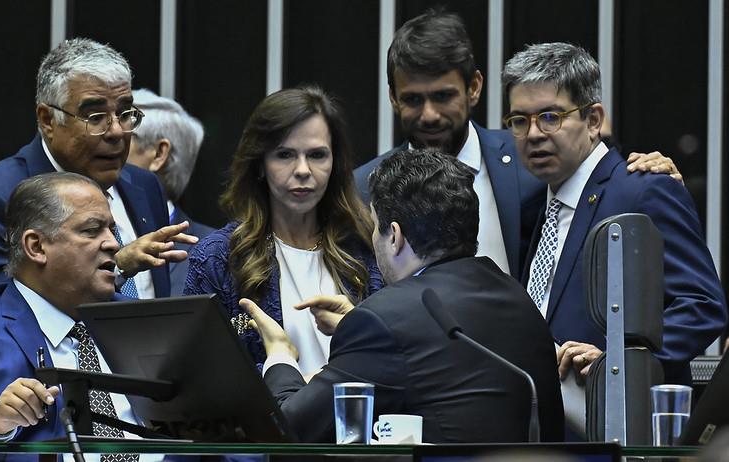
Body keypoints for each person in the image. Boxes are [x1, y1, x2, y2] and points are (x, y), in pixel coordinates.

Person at [242, 148, 564, 443]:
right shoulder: (517, 297)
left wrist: (280, 356)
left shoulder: (384, 320)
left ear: (394, 236)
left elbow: (287, 427)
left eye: (375, 225)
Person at [353, 9, 681, 280]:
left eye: (442, 96)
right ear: (393, 98)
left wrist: (649, 171)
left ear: (474, 88)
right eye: (412, 100)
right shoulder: (363, 190)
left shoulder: (532, 158)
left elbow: (603, 186)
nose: (429, 115)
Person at [501, 42, 727, 384]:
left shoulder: (645, 189)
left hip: (623, 424)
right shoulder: (539, 203)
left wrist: (618, 361)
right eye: (520, 120)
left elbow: (701, 305)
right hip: (547, 426)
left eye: (550, 117)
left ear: (593, 120)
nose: (533, 134)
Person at [0, 173, 151, 459]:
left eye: (111, 230)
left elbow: (201, 429)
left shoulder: (141, 320)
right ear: (36, 247)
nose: (113, 244)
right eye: (92, 230)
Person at [0, 38, 196, 299]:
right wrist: (117, 268)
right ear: (48, 120)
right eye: (95, 118)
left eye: (125, 113)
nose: (116, 131)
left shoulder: (145, 186)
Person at [184, 86, 382, 372]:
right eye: (285, 155)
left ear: (334, 163)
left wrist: (357, 331)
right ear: (260, 164)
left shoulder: (367, 248)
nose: (302, 170)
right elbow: (199, 374)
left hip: (354, 415)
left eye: (317, 155)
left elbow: (399, 362)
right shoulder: (218, 257)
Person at [127, 88, 215, 296]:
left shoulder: (216, 251)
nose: (106, 148)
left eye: (122, 138)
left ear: (158, 154)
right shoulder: (94, 234)